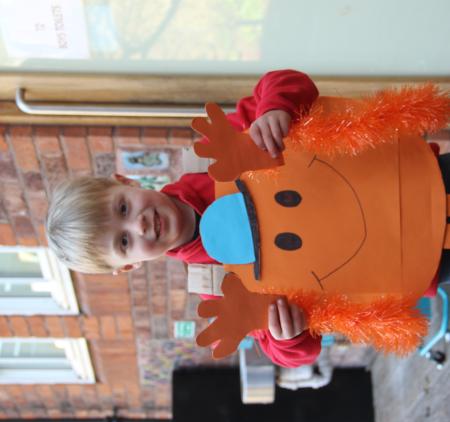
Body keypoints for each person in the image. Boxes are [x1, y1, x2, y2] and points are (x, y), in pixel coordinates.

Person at [46, 69, 322, 368]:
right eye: (124, 241)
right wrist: (287, 336)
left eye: (123, 208)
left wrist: (275, 110)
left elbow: (288, 82)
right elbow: (293, 354)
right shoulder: (222, 290)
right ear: (129, 265)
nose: (138, 225)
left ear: (127, 182)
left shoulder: (217, 150)